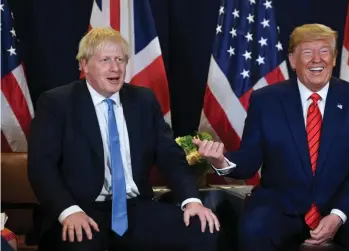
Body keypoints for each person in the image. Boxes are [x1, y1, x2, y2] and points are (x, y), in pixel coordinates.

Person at [194, 23, 349, 251]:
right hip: (282, 204)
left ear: (335, 58)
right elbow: (249, 159)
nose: (317, 60)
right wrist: (222, 162)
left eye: (325, 51)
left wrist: (337, 215)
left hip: (345, 204)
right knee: (254, 230)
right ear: (292, 60)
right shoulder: (265, 100)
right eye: (307, 52)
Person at [28, 27, 221, 251]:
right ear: (83, 65)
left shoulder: (143, 100)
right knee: (82, 245)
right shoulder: (57, 103)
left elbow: (170, 157)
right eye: (105, 60)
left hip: (136, 208)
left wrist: (191, 201)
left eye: (120, 59)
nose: (115, 68)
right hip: (81, 208)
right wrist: (69, 212)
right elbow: (42, 168)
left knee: (203, 230)